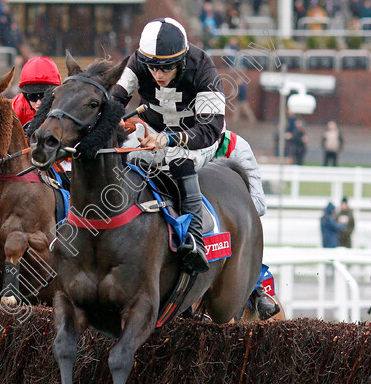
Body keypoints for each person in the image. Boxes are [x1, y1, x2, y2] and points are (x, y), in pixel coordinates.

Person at [112, 17, 277, 317]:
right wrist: (115, 121)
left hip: (200, 140)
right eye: (152, 67)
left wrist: (170, 138)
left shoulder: (204, 70)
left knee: (249, 207)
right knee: (118, 155)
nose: (158, 74)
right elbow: (114, 100)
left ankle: (242, 273)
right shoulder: (138, 62)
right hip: (153, 133)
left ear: (182, 61)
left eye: (166, 67)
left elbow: (210, 129)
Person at [11, 56, 61, 136]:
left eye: (43, 96)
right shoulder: (17, 106)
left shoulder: (63, 107)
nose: (38, 103)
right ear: (26, 96)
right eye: (33, 97)